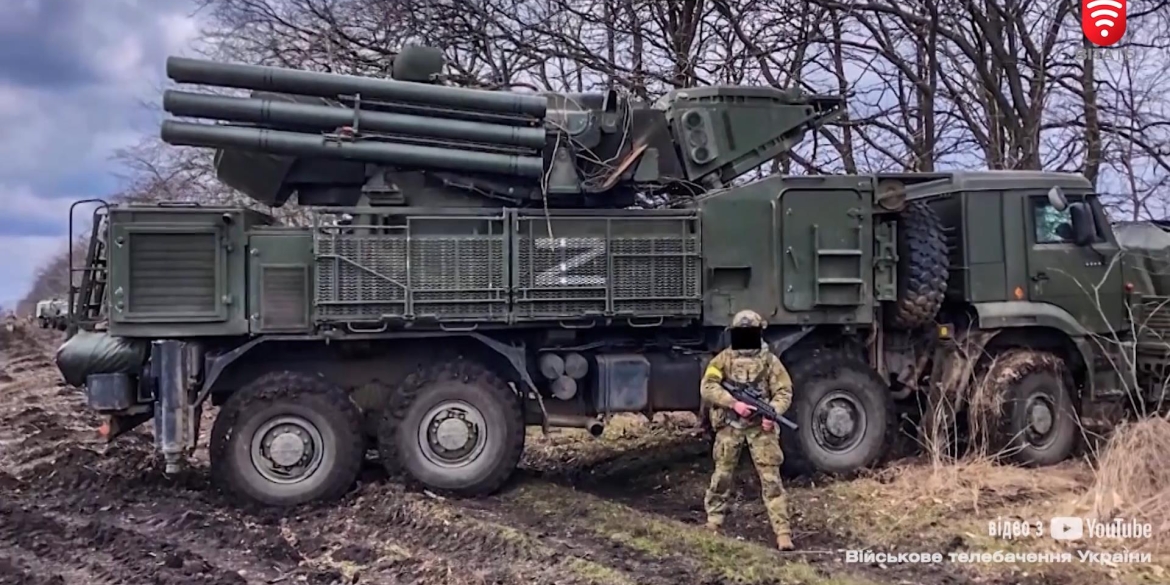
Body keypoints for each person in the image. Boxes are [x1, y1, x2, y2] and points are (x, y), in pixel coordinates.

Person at [700, 309, 795, 551]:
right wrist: (734, 403)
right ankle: (714, 521)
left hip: (760, 430)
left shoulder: (770, 362)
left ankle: (782, 532)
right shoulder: (723, 359)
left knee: (771, 480)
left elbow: (784, 392)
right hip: (731, 425)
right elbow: (708, 386)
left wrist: (772, 413)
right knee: (722, 476)